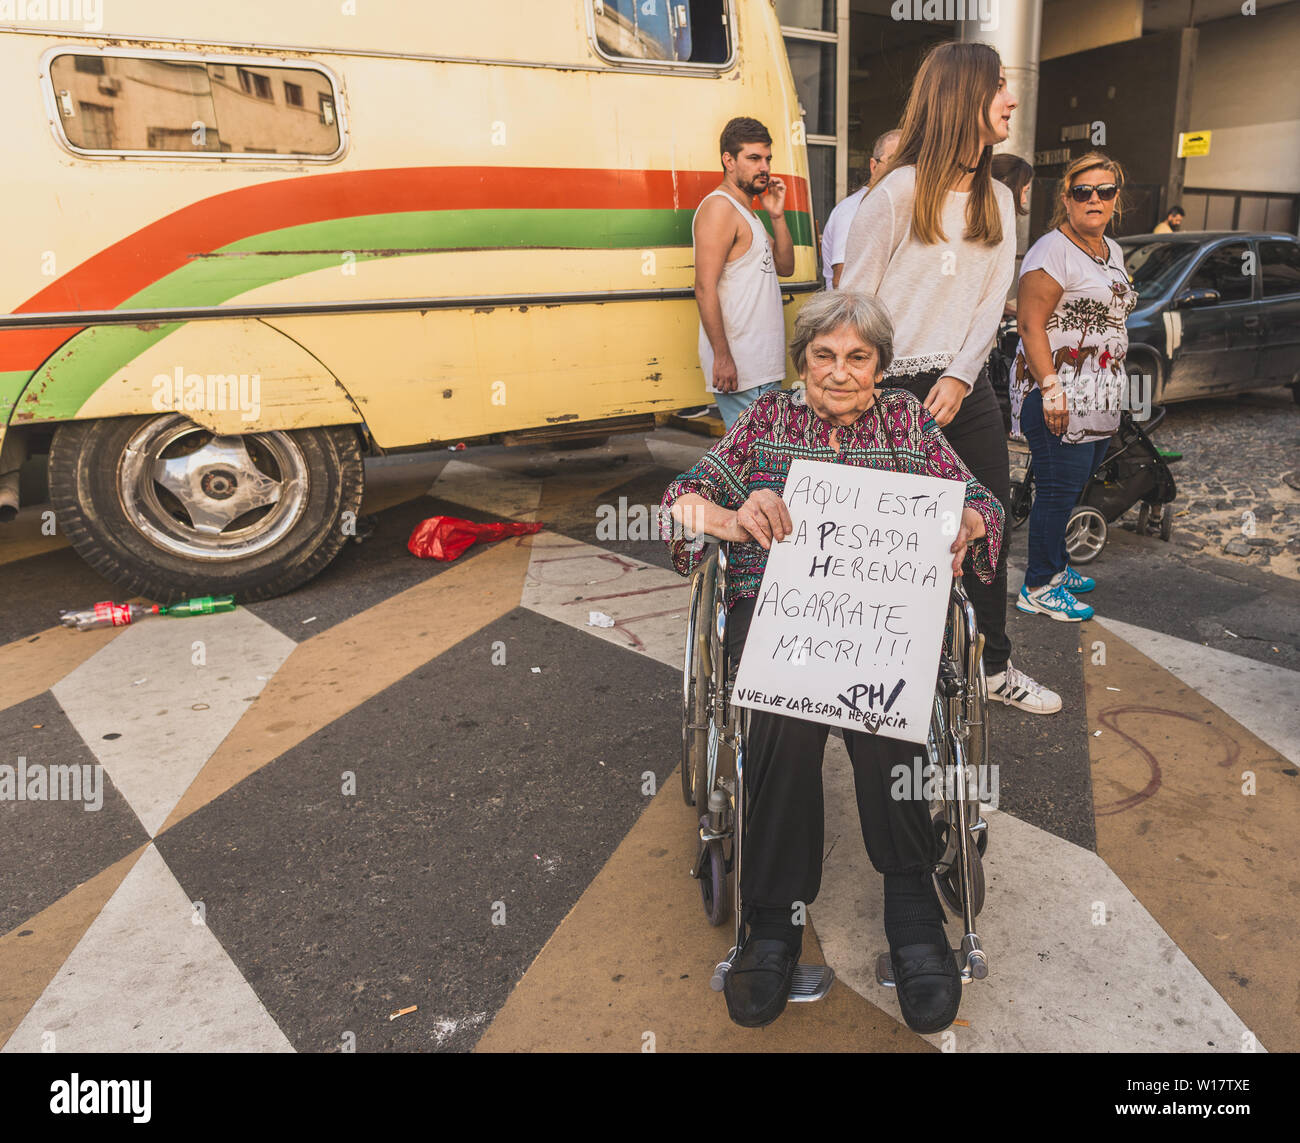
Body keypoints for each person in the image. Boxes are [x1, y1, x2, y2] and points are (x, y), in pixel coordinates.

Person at [661, 290, 1004, 1034]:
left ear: (880, 367)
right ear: (804, 361)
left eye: (858, 357)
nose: (841, 372)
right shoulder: (768, 422)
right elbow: (681, 499)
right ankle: (774, 921)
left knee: (890, 718)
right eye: (825, 355)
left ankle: (913, 909)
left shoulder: (908, 423)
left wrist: (972, 519)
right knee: (782, 720)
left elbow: (982, 498)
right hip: (783, 618)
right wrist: (731, 515)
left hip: (880, 623)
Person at [840, 41, 1061, 716]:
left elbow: (990, 301)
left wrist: (964, 376)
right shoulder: (896, 194)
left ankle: (994, 664)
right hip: (885, 388)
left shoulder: (998, 198)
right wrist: (866, 393)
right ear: (960, 95)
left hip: (965, 387)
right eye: (999, 87)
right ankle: (892, 672)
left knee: (988, 520)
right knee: (902, 540)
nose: (1012, 99)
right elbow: (854, 304)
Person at [1012, 152, 1137, 621]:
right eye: (1083, 191)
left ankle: (1057, 567)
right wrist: (1050, 388)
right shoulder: (1051, 250)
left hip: (1098, 394)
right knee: (1058, 489)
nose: (1094, 200)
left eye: (1105, 191)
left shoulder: (1112, 250)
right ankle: (1039, 586)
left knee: (1073, 485)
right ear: (1066, 198)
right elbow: (1030, 324)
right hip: (1058, 391)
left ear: (1115, 199)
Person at [692, 117, 795, 431]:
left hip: (760, 368)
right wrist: (722, 357)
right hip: (741, 369)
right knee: (756, 466)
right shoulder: (719, 208)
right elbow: (704, 287)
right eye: (753, 158)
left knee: (761, 466)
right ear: (729, 160)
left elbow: (786, 267)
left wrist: (776, 215)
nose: (764, 167)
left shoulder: (747, 212)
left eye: (767, 159)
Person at [821, 128, 901, 288]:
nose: (901, 170)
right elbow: (843, 280)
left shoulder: (897, 206)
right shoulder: (853, 209)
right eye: (894, 162)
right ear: (873, 166)